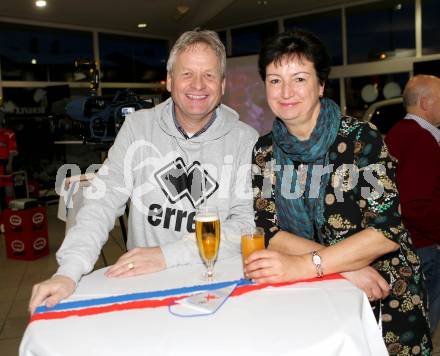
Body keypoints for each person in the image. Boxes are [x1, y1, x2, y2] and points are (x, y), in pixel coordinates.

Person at [29, 29, 258, 314]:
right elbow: (102, 201)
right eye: (187, 74)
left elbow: (247, 225)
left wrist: (167, 256)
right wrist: (69, 271)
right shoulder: (138, 127)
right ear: (170, 80)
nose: (198, 85)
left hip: (217, 284)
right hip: (146, 283)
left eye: (209, 75)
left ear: (222, 84)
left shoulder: (246, 140)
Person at [244, 29, 432, 354]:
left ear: (320, 85)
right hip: (312, 297)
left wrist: (307, 264)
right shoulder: (264, 151)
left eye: (299, 79)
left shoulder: (361, 140)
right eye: (275, 80)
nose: (286, 91)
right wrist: (343, 265)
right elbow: (269, 230)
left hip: (383, 292)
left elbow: (385, 232)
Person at [385, 74, 440, 335]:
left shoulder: (397, 133)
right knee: (424, 327)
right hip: (424, 245)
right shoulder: (421, 139)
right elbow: (416, 204)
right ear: (426, 102)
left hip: (406, 244)